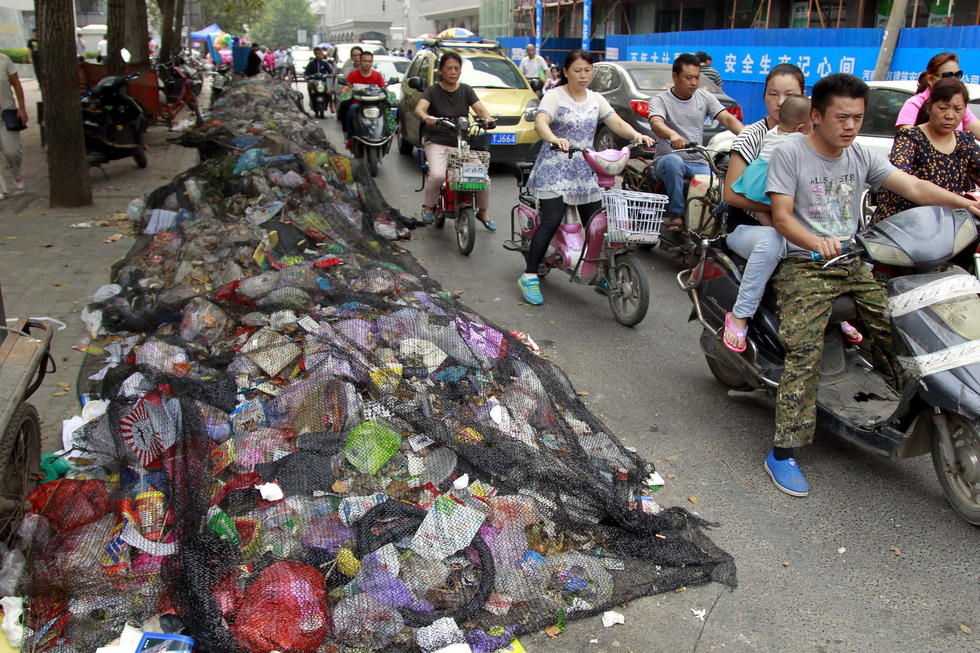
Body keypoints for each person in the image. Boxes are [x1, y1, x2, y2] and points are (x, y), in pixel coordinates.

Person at [764, 73, 980, 497]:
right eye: (841, 117)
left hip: (854, 261)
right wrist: (817, 243)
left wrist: (966, 202)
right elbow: (783, 216)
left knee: (898, 325)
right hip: (804, 264)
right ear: (817, 115)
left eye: (858, 118)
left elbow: (914, 186)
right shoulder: (791, 153)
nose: (850, 126)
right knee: (804, 350)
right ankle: (782, 451)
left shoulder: (860, 155)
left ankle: (894, 408)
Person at [722, 96, 867, 352]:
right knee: (774, 238)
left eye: (788, 93)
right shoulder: (757, 137)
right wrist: (784, 211)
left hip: (790, 221)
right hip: (751, 225)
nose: (780, 101)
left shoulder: (816, 143)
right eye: (774, 93)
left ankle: (837, 315)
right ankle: (740, 314)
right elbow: (731, 194)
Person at [518, 50, 655, 305]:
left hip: (585, 167)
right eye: (578, 70)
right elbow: (541, 122)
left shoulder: (596, 99)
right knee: (551, 219)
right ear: (566, 72)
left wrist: (637, 135)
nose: (583, 75)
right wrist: (553, 139)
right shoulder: (554, 95)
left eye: (588, 70)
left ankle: (597, 272)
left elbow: (615, 122)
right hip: (555, 167)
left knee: (597, 222)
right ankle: (530, 275)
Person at [649, 53, 744, 234]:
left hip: (698, 162)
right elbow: (656, 123)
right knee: (673, 161)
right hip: (666, 160)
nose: (693, 82)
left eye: (697, 78)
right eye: (688, 78)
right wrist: (672, 135)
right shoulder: (660, 100)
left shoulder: (704, 97)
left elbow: (727, 119)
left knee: (719, 180)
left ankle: (715, 223)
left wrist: (750, 137)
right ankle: (677, 214)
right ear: (675, 76)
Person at [872, 78, 980, 225]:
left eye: (958, 109)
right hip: (902, 226)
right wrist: (965, 203)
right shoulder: (910, 138)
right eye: (943, 108)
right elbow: (906, 182)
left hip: (946, 228)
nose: (950, 115)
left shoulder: (965, 142)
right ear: (929, 107)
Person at [415, 52, 497, 230]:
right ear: (441, 71)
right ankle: (429, 206)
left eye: (457, 68)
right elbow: (420, 109)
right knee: (437, 175)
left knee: (482, 177)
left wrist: (488, 119)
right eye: (449, 68)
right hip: (437, 142)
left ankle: (482, 212)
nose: (453, 72)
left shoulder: (466, 89)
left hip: (461, 143)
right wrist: (426, 117)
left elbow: (480, 109)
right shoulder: (432, 90)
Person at [896, 51, 980, 138]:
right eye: (948, 76)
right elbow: (908, 138)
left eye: (958, 75)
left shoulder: (958, 103)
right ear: (931, 79)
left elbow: (975, 127)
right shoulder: (914, 104)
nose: (950, 116)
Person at [340, 50, 386, 143]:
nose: (367, 64)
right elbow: (346, 87)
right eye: (365, 61)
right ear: (360, 62)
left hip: (375, 105)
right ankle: (349, 137)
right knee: (350, 109)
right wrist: (344, 92)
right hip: (358, 105)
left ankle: (385, 135)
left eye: (369, 61)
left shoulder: (377, 76)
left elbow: (383, 89)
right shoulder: (353, 75)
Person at [0, 51, 28, 198]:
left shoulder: (4, 60)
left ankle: (16, 174)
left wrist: (22, 108)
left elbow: (16, 84)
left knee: (12, 152)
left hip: (6, 114)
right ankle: (2, 188)